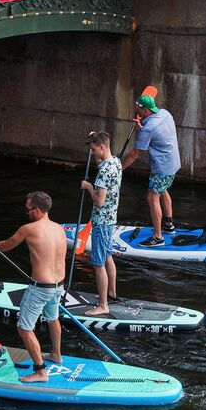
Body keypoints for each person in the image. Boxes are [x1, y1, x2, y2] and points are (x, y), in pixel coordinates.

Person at [0, 191, 68, 383]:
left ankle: (40, 371)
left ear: (38, 210)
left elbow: (7, 245)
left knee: (24, 328)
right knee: (53, 318)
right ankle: (56, 354)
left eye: (28, 209)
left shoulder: (29, 229)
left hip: (40, 288)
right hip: (58, 286)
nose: (27, 212)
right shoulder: (59, 229)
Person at [121, 91, 180, 246]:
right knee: (163, 190)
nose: (137, 112)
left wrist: (118, 169)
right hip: (173, 163)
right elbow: (156, 130)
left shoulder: (148, 128)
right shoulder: (165, 114)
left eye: (139, 110)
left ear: (146, 111)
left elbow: (135, 154)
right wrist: (142, 128)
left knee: (153, 197)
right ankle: (169, 225)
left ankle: (158, 237)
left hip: (162, 168)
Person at [79, 130, 122, 316]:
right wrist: (94, 135)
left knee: (98, 263)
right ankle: (111, 293)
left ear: (102, 148)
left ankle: (103, 305)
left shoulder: (104, 171)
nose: (92, 153)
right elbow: (100, 160)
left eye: (94, 149)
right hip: (111, 219)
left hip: (101, 221)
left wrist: (88, 187)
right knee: (108, 257)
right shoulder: (116, 162)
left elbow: (99, 201)